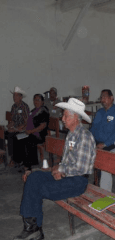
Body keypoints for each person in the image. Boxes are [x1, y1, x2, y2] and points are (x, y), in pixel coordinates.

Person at [14, 98, 96, 240]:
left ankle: (35, 230)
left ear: (75, 117)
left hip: (77, 181)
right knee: (33, 178)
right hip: (67, 174)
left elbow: (81, 168)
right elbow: (67, 161)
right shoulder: (71, 134)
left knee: (40, 188)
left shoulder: (84, 137)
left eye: (65, 116)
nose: (62, 119)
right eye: (63, 115)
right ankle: (31, 228)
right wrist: (58, 169)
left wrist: (62, 171)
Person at [13, 94, 49, 171]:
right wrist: (21, 127)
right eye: (34, 100)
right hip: (30, 132)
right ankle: (20, 161)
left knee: (27, 141)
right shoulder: (33, 111)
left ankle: (28, 165)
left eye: (38, 100)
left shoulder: (44, 111)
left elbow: (42, 126)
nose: (35, 102)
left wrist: (30, 131)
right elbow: (27, 122)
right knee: (16, 137)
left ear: (42, 102)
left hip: (39, 134)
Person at [5, 86, 30, 166]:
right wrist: (10, 125)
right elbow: (13, 120)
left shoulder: (24, 107)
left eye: (16, 96)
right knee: (5, 133)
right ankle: (7, 157)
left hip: (23, 130)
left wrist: (17, 129)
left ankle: (15, 159)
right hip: (16, 129)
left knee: (12, 136)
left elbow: (27, 122)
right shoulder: (14, 106)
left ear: (20, 97)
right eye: (13, 96)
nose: (14, 97)